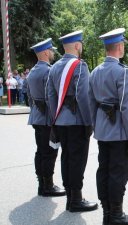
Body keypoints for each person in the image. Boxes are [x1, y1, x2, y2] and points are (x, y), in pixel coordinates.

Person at [89, 28, 128, 225]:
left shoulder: (95, 72)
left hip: (103, 132)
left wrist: (96, 127)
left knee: (104, 170)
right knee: (118, 173)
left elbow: (91, 103)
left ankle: (107, 212)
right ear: (119, 46)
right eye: (123, 44)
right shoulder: (123, 72)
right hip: (119, 133)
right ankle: (116, 215)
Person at [47, 31, 98, 212]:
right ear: (77, 46)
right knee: (77, 160)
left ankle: (70, 197)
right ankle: (76, 200)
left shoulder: (53, 67)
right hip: (77, 122)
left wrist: (56, 118)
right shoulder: (79, 65)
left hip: (60, 121)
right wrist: (89, 122)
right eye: (81, 44)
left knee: (66, 158)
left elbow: (50, 96)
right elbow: (83, 97)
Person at [27, 38, 65, 197]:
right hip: (47, 117)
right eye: (50, 50)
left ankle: (41, 183)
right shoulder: (48, 71)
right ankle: (48, 186)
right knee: (50, 151)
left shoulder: (32, 72)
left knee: (40, 151)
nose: (52, 53)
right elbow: (51, 97)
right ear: (44, 52)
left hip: (36, 116)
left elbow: (29, 97)